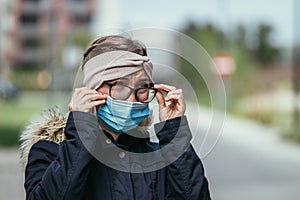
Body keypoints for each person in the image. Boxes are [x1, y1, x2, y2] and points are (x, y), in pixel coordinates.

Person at [20, 35, 211, 200]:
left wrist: (174, 134)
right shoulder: (50, 152)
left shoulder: (158, 157)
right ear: (92, 90)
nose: (132, 99)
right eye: (120, 85)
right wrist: (80, 128)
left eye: (143, 87)